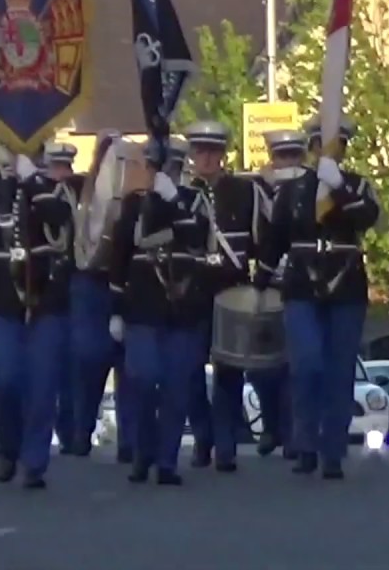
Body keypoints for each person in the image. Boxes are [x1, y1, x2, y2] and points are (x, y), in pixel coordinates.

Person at [262, 118, 379, 479]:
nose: (327, 153)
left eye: (335, 146)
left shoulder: (358, 186)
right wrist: (260, 282)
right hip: (302, 282)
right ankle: (305, 442)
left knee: (339, 369)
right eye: (321, 146)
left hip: (345, 282)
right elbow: (275, 237)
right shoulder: (294, 189)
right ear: (312, 149)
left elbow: (367, 218)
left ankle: (332, 450)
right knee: (307, 362)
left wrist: (339, 188)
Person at [0, 149, 73, 489]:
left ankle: (34, 462)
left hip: (47, 302)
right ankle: (8, 444)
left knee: (42, 387)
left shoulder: (54, 190)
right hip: (2, 301)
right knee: (3, 378)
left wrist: (32, 181)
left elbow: (59, 219)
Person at [107, 138, 205, 485]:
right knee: (143, 380)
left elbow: (197, 240)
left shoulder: (194, 201)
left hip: (183, 307)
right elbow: (119, 255)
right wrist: (116, 309)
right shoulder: (135, 205)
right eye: (155, 167)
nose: (161, 173)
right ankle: (142, 452)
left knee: (177, 388)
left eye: (171, 168)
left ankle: (166, 461)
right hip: (143, 307)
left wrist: (174, 200)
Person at [183, 120, 272, 472]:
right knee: (189, 370)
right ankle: (203, 436)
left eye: (213, 151)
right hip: (191, 293)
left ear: (222, 154)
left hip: (232, 289)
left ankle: (225, 446)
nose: (206, 158)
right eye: (200, 151)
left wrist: (260, 282)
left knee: (229, 372)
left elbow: (264, 238)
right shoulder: (181, 193)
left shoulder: (245, 192)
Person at [66, 132, 135, 462]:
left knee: (129, 367)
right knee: (88, 361)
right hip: (90, 280)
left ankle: (129, 441)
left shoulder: (135, 188)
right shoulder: (83, 187)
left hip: (126, 280)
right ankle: (80, 433)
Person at [244, 128, 308, 460]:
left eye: (293, 156)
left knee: (296, 363)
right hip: (266, 281)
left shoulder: (309, 188)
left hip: (300, 281)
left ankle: (295, 432)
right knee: (261, 365)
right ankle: (272, 424)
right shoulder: (257, 190)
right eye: (281, 156)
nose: (287, 163)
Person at [43, 142, 81, 456]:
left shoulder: (75, 196)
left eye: (65, 167)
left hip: (72, 287)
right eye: (56, 167)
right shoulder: (36, 197)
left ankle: (70, 432)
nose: (61, 174)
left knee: (71, 369)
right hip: (45, 290)